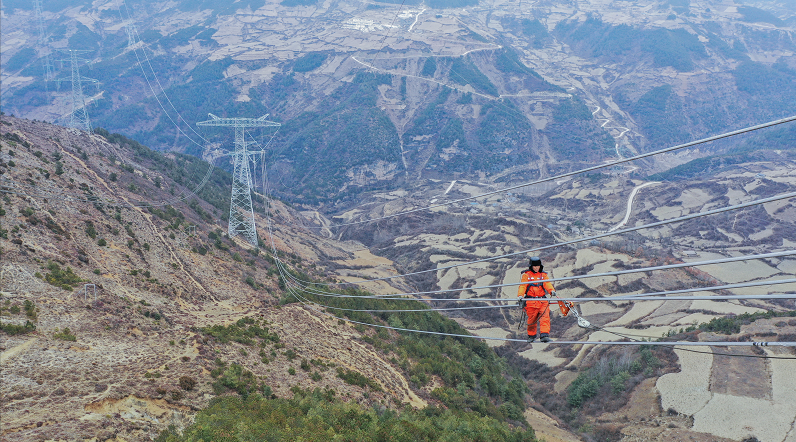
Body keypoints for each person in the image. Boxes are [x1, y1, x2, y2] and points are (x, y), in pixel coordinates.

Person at [517, 256, 557, 343]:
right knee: (532, 320)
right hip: (531, 302)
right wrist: (520, 295)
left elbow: (547, 284)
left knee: (545, 318)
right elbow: (523, 286)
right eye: (535, 266)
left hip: (543, 301)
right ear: (531, 266)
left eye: (538, 266)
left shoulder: (543, 275)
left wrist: (552, 291)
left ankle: (544, 335)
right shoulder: (526, 275)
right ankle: (531, 336)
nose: (536, 268)